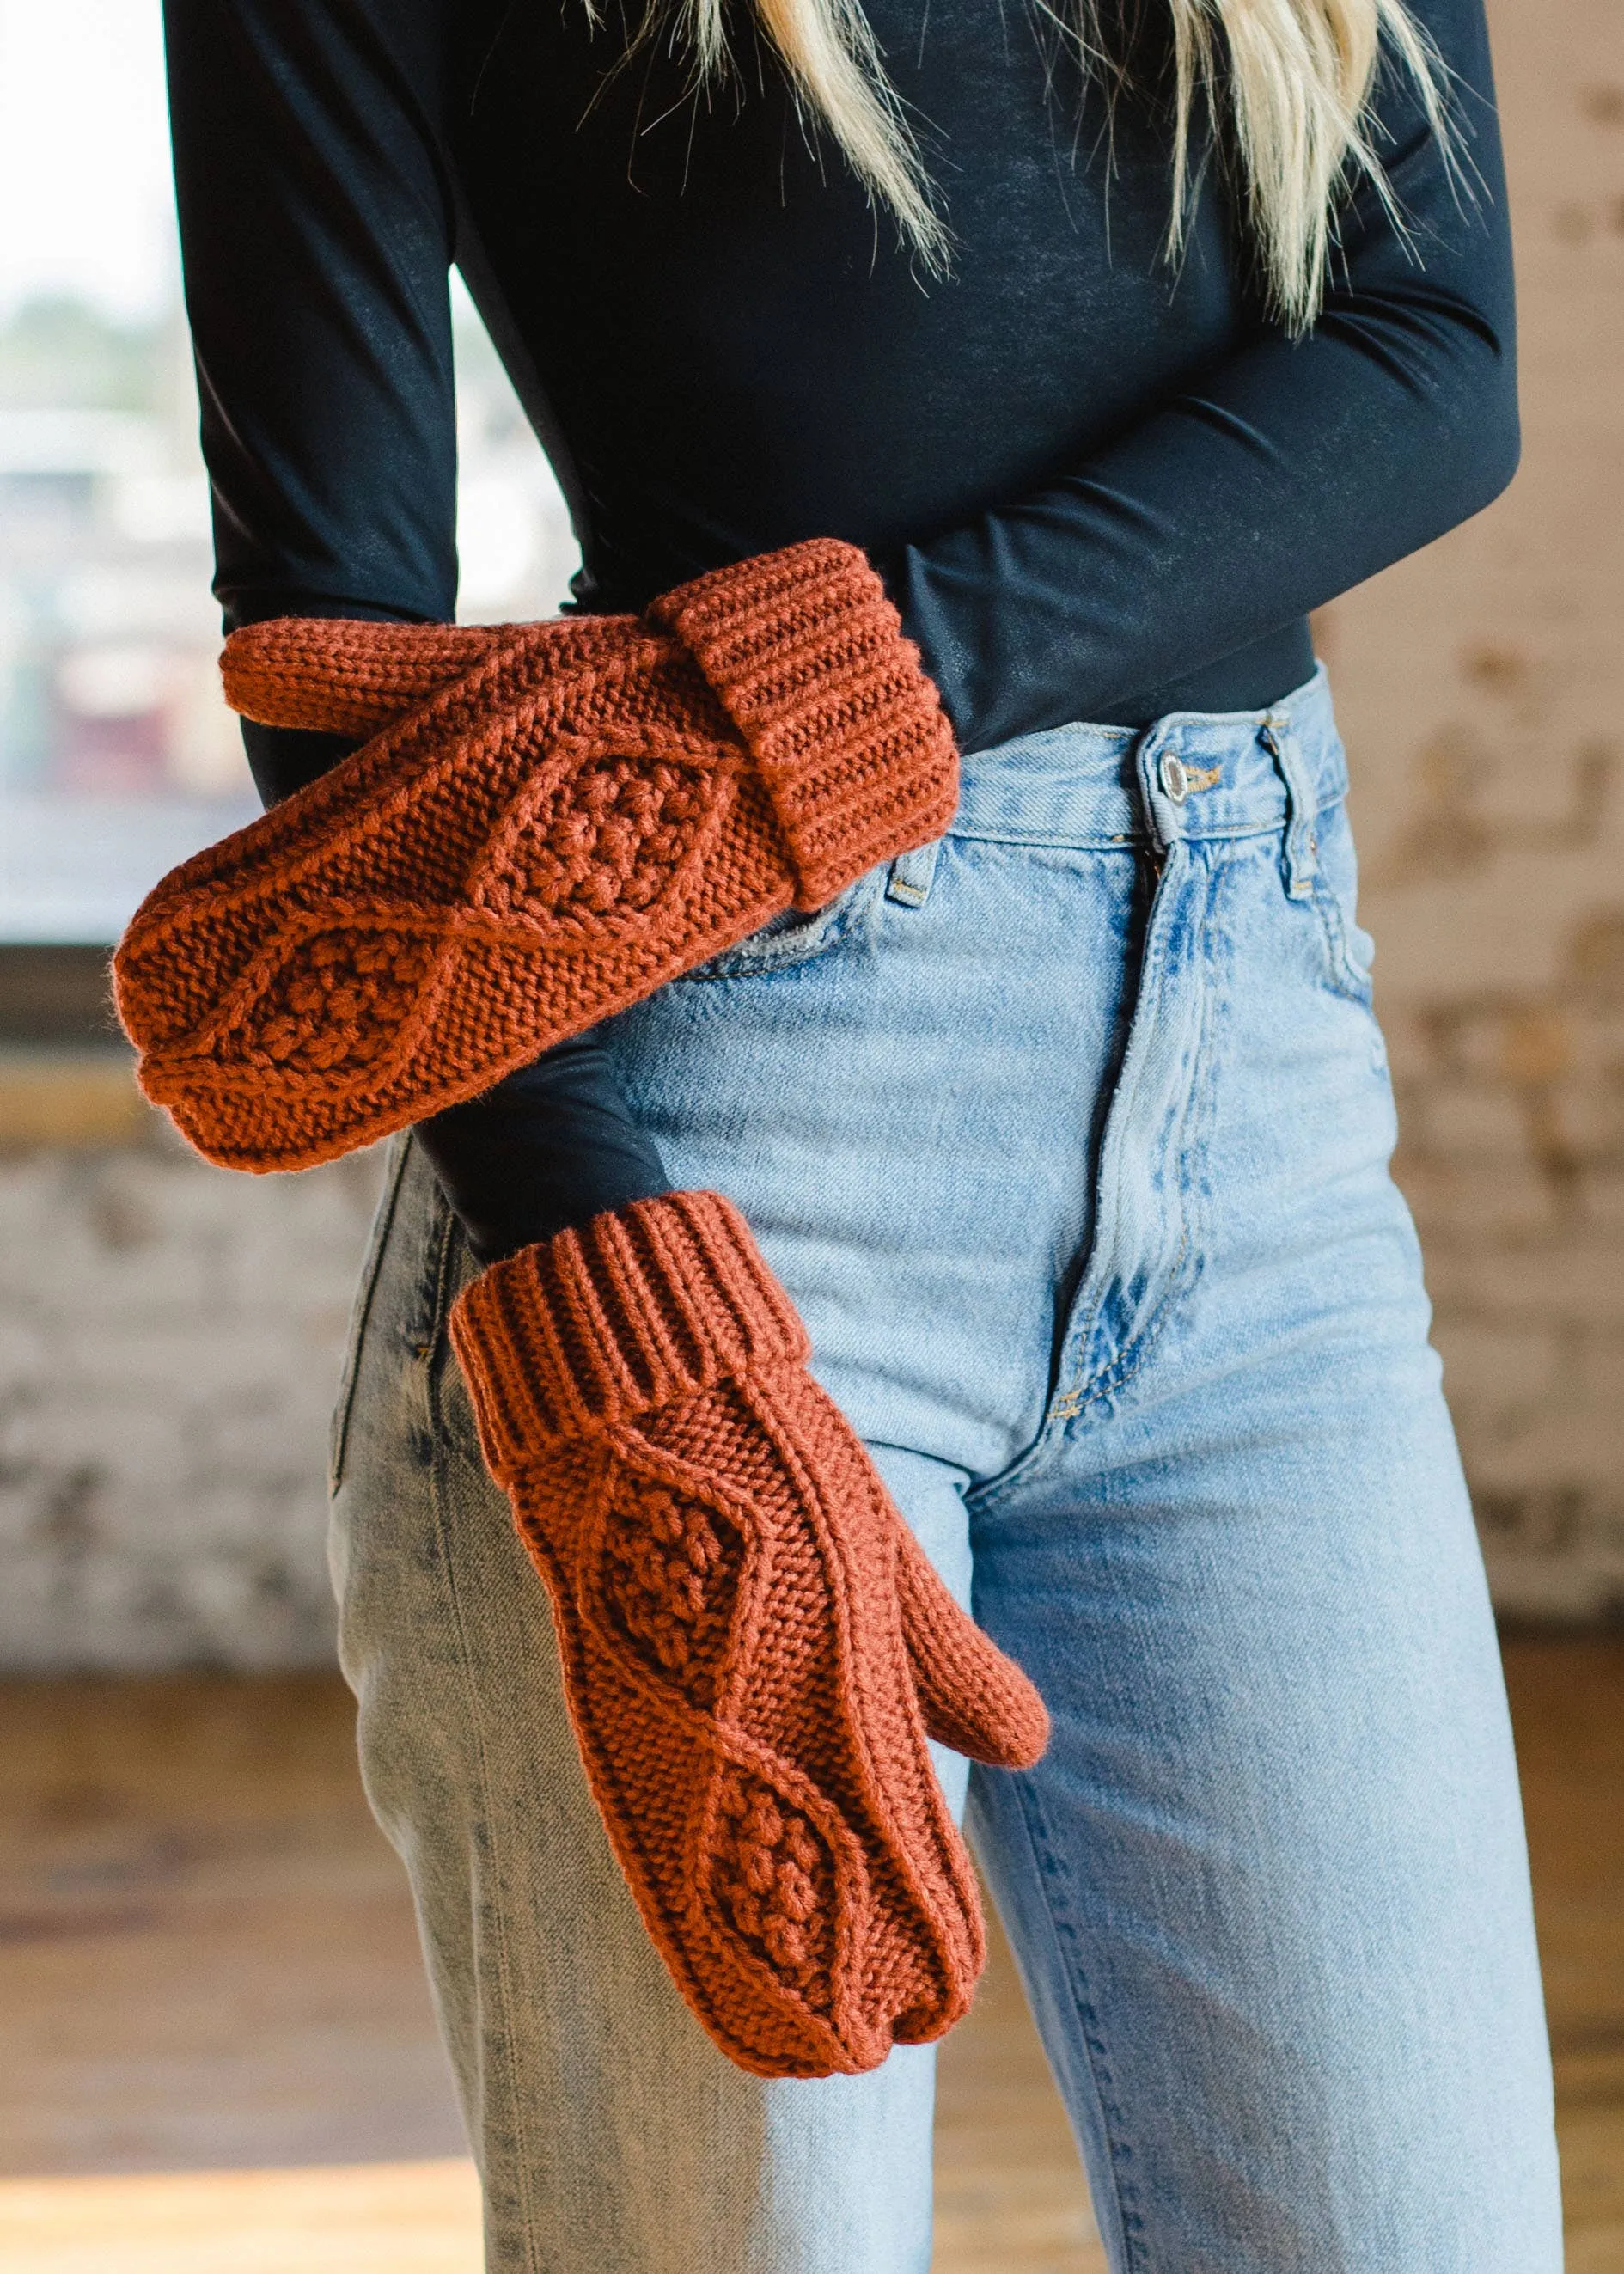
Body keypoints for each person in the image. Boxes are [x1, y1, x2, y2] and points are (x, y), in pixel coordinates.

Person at [146, 0, 1563, 2260]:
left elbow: (1432, 357)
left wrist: (797, 709)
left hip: (1261, 1102)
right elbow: (336, 651)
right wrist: (626, 1310)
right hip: (702, 1134)